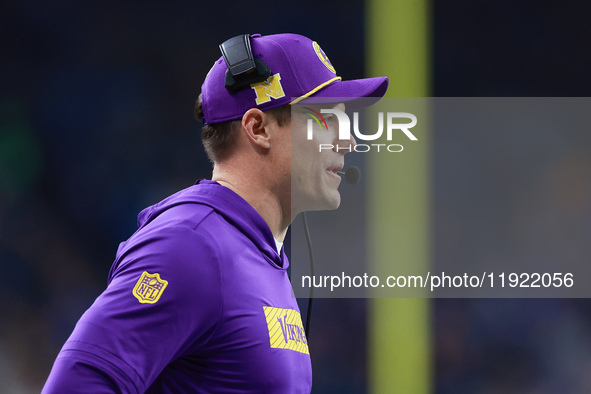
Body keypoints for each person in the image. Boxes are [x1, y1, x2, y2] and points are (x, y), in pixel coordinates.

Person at [42, 33, 388, 393]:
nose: (348, 140)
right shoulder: (190, 245)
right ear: (258, 128)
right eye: (326, 119)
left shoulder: (252, 250)